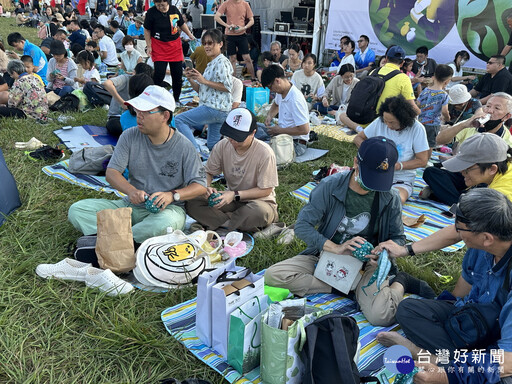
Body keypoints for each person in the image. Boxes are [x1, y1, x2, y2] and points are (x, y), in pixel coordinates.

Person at [265, 137, 435, 326]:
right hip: (327, 255)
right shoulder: (330, 187)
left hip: (367, 265)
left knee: (381, 316)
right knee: (274, 276)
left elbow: (398, 237)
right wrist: (335, 248)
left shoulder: (390, 197)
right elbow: (303, 226)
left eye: (380, 180)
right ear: (355, 162)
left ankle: (400, 281)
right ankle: (348, 287)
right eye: (370, 177)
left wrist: (384, 252)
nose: (373, 186)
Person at [375, 188, 512, 383]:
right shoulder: (482, 244)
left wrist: (446, 377)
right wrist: (448, 313)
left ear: (487, 238)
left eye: (459, 227)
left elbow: (508, 361)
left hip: (501, 347)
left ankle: (422, 355)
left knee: (499, 377)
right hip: (476, 321)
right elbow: (462, 290)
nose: (455, 232)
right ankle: (446, 360)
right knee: (408, 309)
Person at [68, 85, 207, 244]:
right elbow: (112, 172)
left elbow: (200, 185)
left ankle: (108, 241)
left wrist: (171, 195)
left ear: (165, 116)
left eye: (146, 112)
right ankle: (128, 240)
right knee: (78, 211)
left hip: (167, 210)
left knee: (165, 223)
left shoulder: (184, 146)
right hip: (131, 207)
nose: (139, 116)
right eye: (138, 111)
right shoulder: (129, 136)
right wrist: (132, 191)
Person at [186, 107, 279, 232]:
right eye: (230, 135)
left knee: (260, 213)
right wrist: (206, 187)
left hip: (259, 202)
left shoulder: (265, 153)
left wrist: (234, 195)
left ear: (253, 133)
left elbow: (266, 190)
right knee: (192, 200)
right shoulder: (222, 145)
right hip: (231, 200)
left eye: (238, 137)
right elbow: (209, 171)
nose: (233, 140)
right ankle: (235, 223)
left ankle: (218, 222)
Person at [354, 95, 429, 204]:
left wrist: (398, 166)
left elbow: (422, 161)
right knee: (355, 194)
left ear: (403, 119)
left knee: (394, 201)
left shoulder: (417, 129)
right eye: (386, 121)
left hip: (401, 180)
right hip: (373, 174)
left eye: (392, 122)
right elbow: (358, 138)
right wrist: (369, 152)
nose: (388, 125)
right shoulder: (379, 122)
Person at [338, 45, 420, 132]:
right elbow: (412, 108)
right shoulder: (403, 78)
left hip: (362, 117)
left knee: (342, 115)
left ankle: (358, 129)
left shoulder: (374, 71)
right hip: (382, 124)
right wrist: (420, 111)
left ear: (386, 58)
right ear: (403, 63)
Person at [175, 29, 232, 152]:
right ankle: (227, 158)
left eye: (210, 43)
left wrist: (204, 81)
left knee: (179, 120)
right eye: (204, 43)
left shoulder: (222, 62)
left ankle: (194, 152)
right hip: (217, 109)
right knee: (213, 145)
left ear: (220, 44)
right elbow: (202, 90)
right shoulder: (212, 63)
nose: (206, 46)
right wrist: (191, 79)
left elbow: (227, 87)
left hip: (214, 108)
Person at [144, 0, 194, 102]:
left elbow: (181, 24)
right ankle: (153, 98)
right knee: (159, 74)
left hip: (174, 46)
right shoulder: (151, 12)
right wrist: (149, 46)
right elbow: (147, 29)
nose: (160, 7)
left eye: (162, 5)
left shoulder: (174, 10)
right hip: (159, 45)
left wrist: (189, 34)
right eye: (157, 5)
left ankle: (176, 99)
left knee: (177, 75)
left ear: (167, 3)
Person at [259, 64, 310, 157]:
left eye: (271, 87)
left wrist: (280, 130)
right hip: (281, 134)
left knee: (259, 150)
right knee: (253, 127)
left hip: (296, 143)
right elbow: (275, 104)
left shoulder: (295, 99)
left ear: (277, 81)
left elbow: (304, 130)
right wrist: (269, 116)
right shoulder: (281, 91)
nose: (272, 91)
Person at [214, 0, 255, 80]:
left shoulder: (245, 4)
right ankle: (233, 79)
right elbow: (216, 17)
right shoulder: (226, 3)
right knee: (232, 58)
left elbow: (252, 20)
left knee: (247, 57)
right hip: (229, 35)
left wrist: (244, 28)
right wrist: (228, 26)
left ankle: (253, 78)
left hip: (242, 34)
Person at [417, 64, 453, 152]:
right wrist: (447, 118)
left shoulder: (425, 90)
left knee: (419, 143)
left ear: (434, 76)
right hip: (433, 124)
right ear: (447, 81)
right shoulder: (444, 95)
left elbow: (417, 104)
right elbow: (445, 111)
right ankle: (425, 161)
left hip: (421, 122)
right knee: (430, 145)